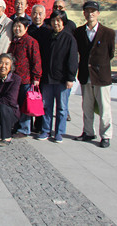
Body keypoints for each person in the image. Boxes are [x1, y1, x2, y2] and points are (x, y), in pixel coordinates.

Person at [73, 1, 115, 148]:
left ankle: (106, 135)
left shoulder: (108, 33)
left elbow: (110, 53)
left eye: (93, 11)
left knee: (104, 107)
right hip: (86, 74)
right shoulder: (79, 32)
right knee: (87, 106)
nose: (90, 14)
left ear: (98, 13)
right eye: (87, 11)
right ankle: (88, 132)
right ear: (84, 13)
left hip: (101, 76)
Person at [38, 10, 78, 143]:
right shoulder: (47, 37)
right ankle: (46, 130)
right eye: (53, 20)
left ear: (63, 22)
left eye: (58, 21)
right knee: (46, 106)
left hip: (62, 79)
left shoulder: (69, 38)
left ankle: (59, 132)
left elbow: (73, 59)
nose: (55, 23)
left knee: (62, 108)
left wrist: (70, 78)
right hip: (47, 78)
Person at [8, 17, 41, 138]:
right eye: (15, 26)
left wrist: (36, 77)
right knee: (15, 104)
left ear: (26, 28)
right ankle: (16, 126)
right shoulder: (13, 41)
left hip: (25, 79)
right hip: (13, 79)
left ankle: (25, 129)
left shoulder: (30, 42)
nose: (17, 29)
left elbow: (36, 60)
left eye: (19, 27)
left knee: (25, 104)